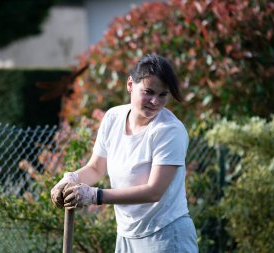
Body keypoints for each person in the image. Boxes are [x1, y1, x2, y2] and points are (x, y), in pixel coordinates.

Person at [51, 54, 198, 252]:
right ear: (130, 84)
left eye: (163, 95)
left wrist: (94, 196)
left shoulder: (169, 131)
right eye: (148, 92)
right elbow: (95, 168)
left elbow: (154, 191)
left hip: (165, 236)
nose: (155, 101)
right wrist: (71, 179)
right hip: (127, 236)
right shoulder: (113, 117)